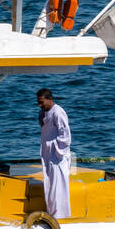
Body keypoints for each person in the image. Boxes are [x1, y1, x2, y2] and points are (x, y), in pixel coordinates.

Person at [36, 88, 72, 218]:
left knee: (59, 187)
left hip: (57, 155)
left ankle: (61, 216)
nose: (40, 105)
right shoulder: (44, 112)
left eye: (42, 102)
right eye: (38, 103)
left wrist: (56, 150)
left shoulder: (58, 112)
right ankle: (52, 213)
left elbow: (66, 135)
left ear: (50, 99)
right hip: (48, 155)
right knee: (50, 185)